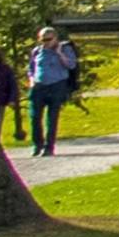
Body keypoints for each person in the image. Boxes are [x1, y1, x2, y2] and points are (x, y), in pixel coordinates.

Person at [24, 27, 82, 158]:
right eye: (43, 40)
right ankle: (37, 144)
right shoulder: (37, 51)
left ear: (55, 38)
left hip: (57, 85)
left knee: (52, 118)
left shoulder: (65, 49)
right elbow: (31, 69)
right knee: (35, 117)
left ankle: (49, 147)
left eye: (48, 39)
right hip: (39, 87)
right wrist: (32, 81)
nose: (46, 42)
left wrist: (60, 53)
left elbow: (71, 65)